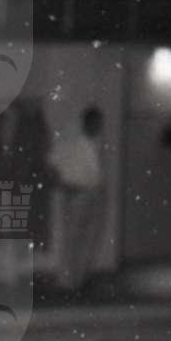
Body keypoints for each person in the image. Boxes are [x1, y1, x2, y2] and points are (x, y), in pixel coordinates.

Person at [50, 104, 106, 293]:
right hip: (75, 193)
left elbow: (95, 173)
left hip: (92, 193)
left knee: (87, 238)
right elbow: (53, 162)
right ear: (87, 123)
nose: (99, 127)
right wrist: (64, 184)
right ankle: (66, 282)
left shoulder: (94, 145)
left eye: (100, 123)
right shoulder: (73, 143)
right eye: (96, 123)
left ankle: (79, 280)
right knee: (72, 239)